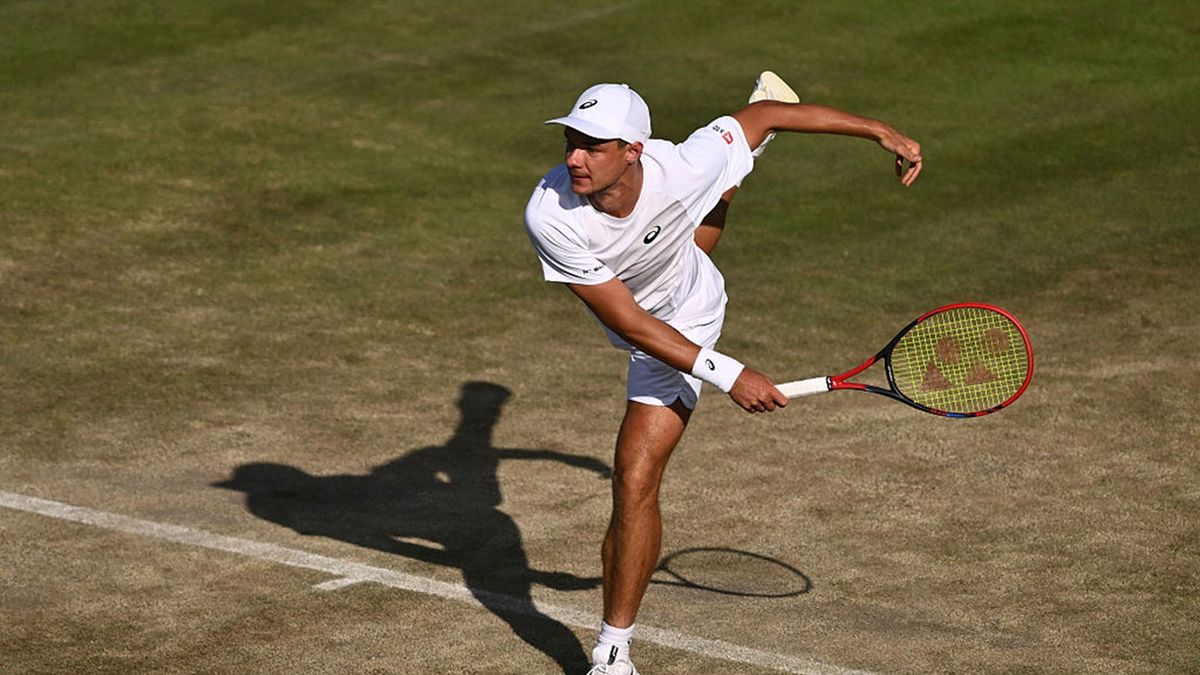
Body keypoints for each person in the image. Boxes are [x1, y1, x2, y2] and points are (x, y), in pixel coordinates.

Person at [523, 72, 922, 675]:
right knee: (693, 228)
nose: (574, 158)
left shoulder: (681, 165)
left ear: (633, 151)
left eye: (593, 146)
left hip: (688, 318)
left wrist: (880, 131)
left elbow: (767, 115)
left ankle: (612, 652)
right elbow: (627, 320)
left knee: (634, 479)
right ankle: (737, 172)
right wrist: (730, 374)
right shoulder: (550, 213)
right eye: (571, 142)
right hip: (645, 309)